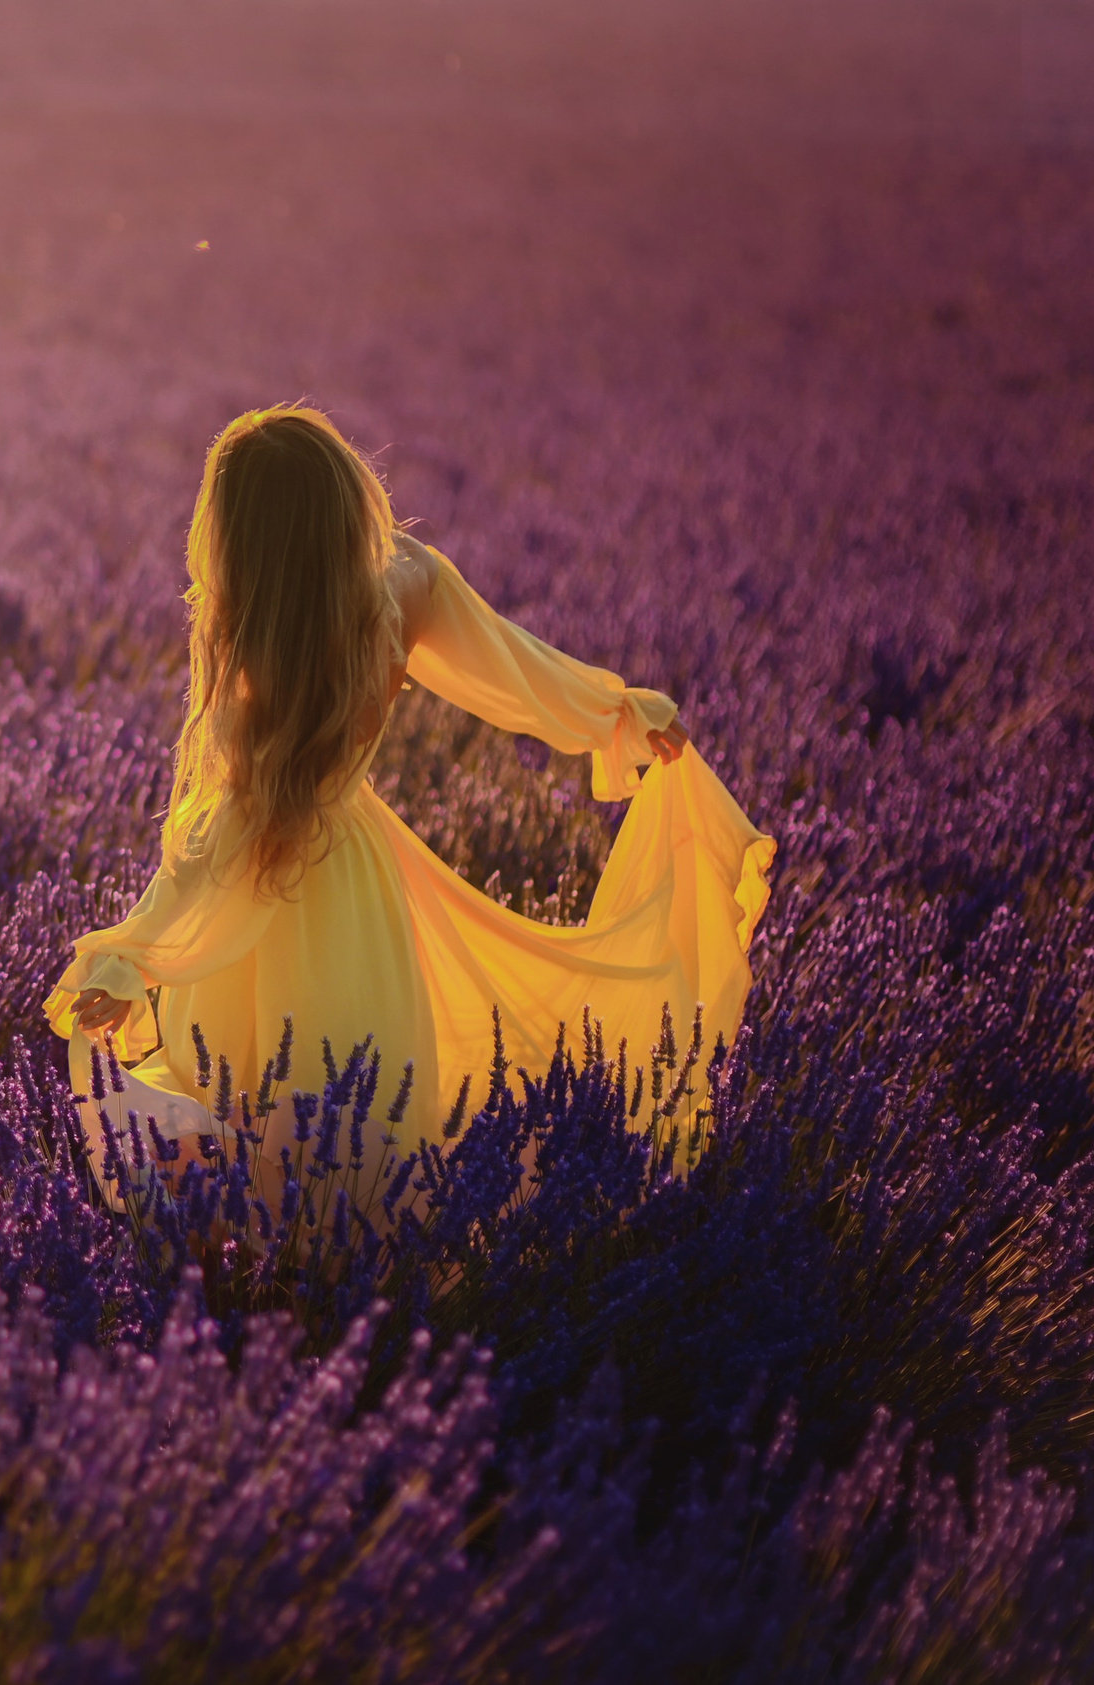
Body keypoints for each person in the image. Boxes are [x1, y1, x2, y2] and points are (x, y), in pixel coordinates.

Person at [47, 407, 773, 1209]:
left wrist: (131, 956)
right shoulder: (404, 584)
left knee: (245, 1116)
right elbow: (516, 668)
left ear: (240, 542)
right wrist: (619, 713)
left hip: (256, 893)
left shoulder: (254, 625)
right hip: (359, 891)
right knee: (359, 1124)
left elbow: (228, 835)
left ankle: (250, 1301)